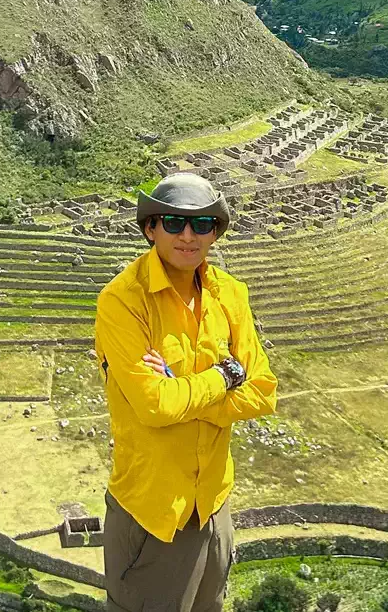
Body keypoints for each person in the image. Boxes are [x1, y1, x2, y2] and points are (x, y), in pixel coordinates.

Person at [94, 172, 278, 612]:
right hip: (153, 515)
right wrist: (225, 375)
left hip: (214, 505)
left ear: (216, 232)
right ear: (150, 228)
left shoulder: (231, 294)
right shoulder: (123, 301)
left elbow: (265, 392)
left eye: (201, 224)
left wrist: (186, 392)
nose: (188, 235)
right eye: (174, 223)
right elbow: (156, 405)